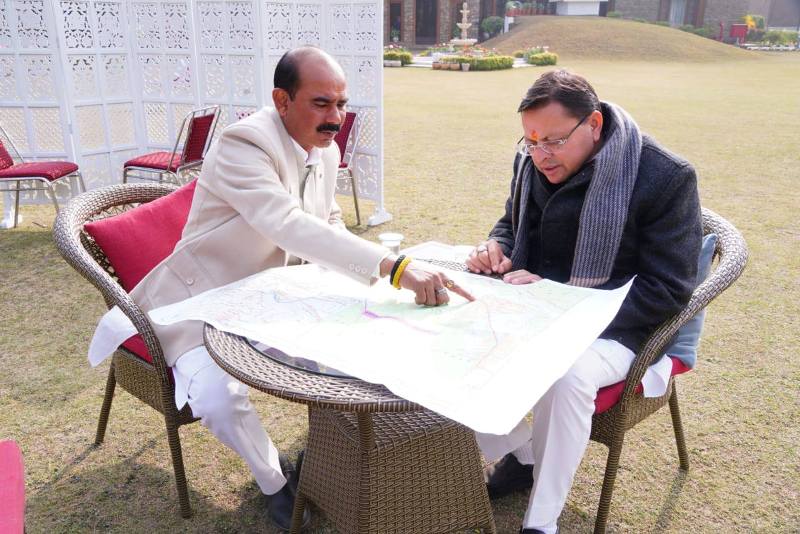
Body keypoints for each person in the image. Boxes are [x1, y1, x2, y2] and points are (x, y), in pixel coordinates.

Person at [94, 46, 472, 531]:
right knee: (216, 400)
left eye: (341, 103)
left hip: (276, 295)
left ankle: (341, 456)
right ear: (282, 100)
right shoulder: (243, 143)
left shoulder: (326, 149)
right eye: (321, 103)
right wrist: (394, 269)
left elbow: (327, 219)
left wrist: (362, 276)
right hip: (202, 303)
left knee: (354, 350)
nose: (335, 118)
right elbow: (286, 223)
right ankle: (275, 482)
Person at [467, 70, 701, 534]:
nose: (540, 155)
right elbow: (511, 223)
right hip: (539, 307)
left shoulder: (665, 177)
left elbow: (669, 289)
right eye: (531, 141)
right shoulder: (532, 161)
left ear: (593, 124)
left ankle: (541, 522)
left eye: (554, 141)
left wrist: (560, 303)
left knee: (567, 376)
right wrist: (496, 247)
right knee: (455, 328)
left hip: (624, 328)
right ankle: (524, 454)